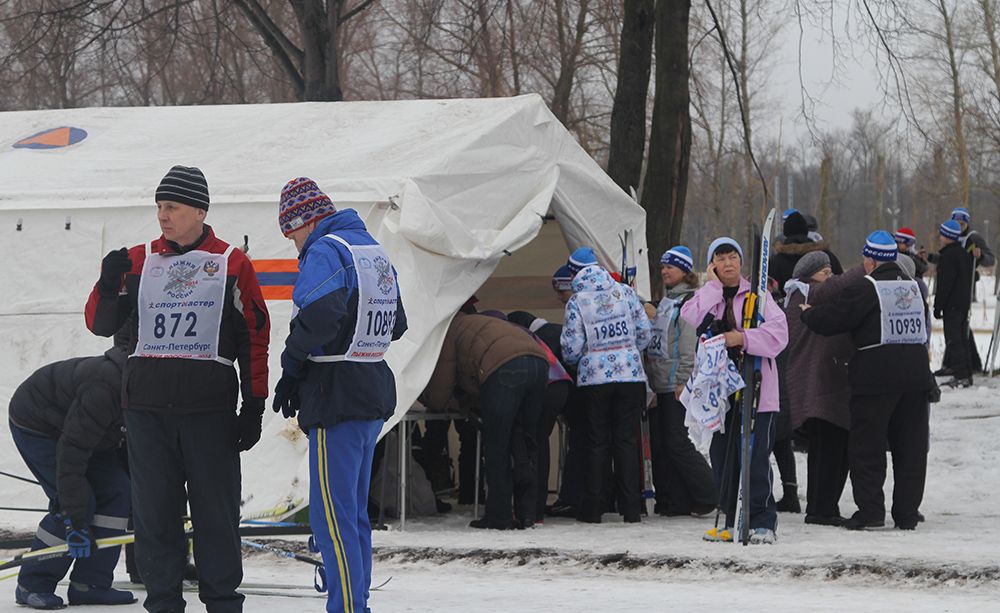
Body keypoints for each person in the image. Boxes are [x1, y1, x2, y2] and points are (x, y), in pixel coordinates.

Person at [85, 165, 271, 613]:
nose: (162, 215)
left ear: (199, 211)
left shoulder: (231, 262)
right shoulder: (138, 259)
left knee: (216, 517)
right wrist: (109, 285)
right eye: (158, 207)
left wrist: (255, 403)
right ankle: (163, 602)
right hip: (147, 412)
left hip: (209, 410)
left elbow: (255, 334)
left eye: (171, 207)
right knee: (155, 519)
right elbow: (99, 324)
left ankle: (223, 602)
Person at [270, 178, 406, 612]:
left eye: (289, 231)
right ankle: (356, 599)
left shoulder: (327, 250)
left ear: (305, 221)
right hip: (371, 389)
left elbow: (320, 313)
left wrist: (292, 370)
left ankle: (347, 607)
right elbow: (397, 322)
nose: (290, 243)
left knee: (331, 517)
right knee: (353, 515)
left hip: (336, 394)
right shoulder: (371, 250)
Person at [801, 231, 931, 530]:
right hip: (915, 376)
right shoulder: (913, 288)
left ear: (869, 260)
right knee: (909, 449)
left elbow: (833, 319)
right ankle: (907, 514)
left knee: (867, 447)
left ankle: (871, 512)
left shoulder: (866, 287)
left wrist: (809, 314)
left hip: (876, 377)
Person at [8, 348, 135, 609]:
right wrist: (75, 522)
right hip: (38, 423)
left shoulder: (148, 392)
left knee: (120, 490)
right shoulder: (104, 390)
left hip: (91, 432)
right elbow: (71, 458)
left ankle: (90, 584)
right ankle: (32, 583)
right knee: (78, 501)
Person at [680, 237, 788, 544]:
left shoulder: (759, 296)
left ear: (741, 262)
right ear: (712, 264)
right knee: (722, 456)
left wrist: (741, 338)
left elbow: (779, 336)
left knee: (754, 455)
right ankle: (729, 516)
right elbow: (692, 316)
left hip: (755, 385)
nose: (728, 264)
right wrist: (712, 287)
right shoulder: (708, 294)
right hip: (719, 390)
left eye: (733, 258)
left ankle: (762, 520)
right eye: (721, 258)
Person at [421, 311, 548, 529]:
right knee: (526, 443)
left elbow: (440, 390)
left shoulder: (448, 332)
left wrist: (436, 401)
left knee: (497, 445)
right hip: (540, 363)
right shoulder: (479, 322)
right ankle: (529, 512)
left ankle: (499, 515)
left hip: (503, 367)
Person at [561, 261, 652, 523]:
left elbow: (571, 347)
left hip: (594, 379)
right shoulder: (625, 292)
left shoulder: (578, 301)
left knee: (597, 442)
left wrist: (584, 358)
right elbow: (644, 333)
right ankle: (631, 509)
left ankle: (594, 508)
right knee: (626, 440)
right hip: (630, 375)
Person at [782, 252, 857, 526]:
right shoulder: (807, 293)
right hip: (822, 386)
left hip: (818, 385)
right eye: (824, 272)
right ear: (807, 275)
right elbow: (836, 287)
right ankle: (822, 509)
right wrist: (868, 266)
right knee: (831, 449)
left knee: (824, 449)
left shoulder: (803, 296)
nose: (831, 277)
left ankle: (820, 506)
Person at [644, 246, 717, 517]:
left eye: (670, 267)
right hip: (660, 381)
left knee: (677, 441)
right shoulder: (666, 302)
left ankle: (710, 492)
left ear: (685, 271)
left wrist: (684, 380)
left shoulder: (688, 302)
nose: (665, 271)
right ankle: (674, 500)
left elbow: (689, 345)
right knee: (662, 444)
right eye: (663, 266)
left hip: (676, 382)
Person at [506, 310, 581, 521]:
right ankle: (540, 507)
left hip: (546, 387)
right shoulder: (555, 330)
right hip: (566, 387)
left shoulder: (529, 336)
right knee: (541, 444)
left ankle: (532, 509)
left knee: (532, 446)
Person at [933, 207, 995, 375]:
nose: (959, 226)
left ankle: (965, 366)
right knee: (958, 331)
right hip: (955, 288)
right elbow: (948, 260)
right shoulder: (950, 237)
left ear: (967, 223)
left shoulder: (973, 237)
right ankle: (961, 364)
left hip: (963, 290)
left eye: (962, 223)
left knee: (959, 330)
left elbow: (990, 260)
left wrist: (980, 255)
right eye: (956, 223)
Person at [934, 220, 975, 388]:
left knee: (954, 340)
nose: (940, 237)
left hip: (952, 306)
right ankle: (966, 373)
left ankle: (961, 375)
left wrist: (938, 306)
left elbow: (945, 284)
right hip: (963, 304)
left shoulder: (948, 257)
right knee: (961, 339)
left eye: (942, 234)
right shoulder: (963, 254)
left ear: (948, 237)